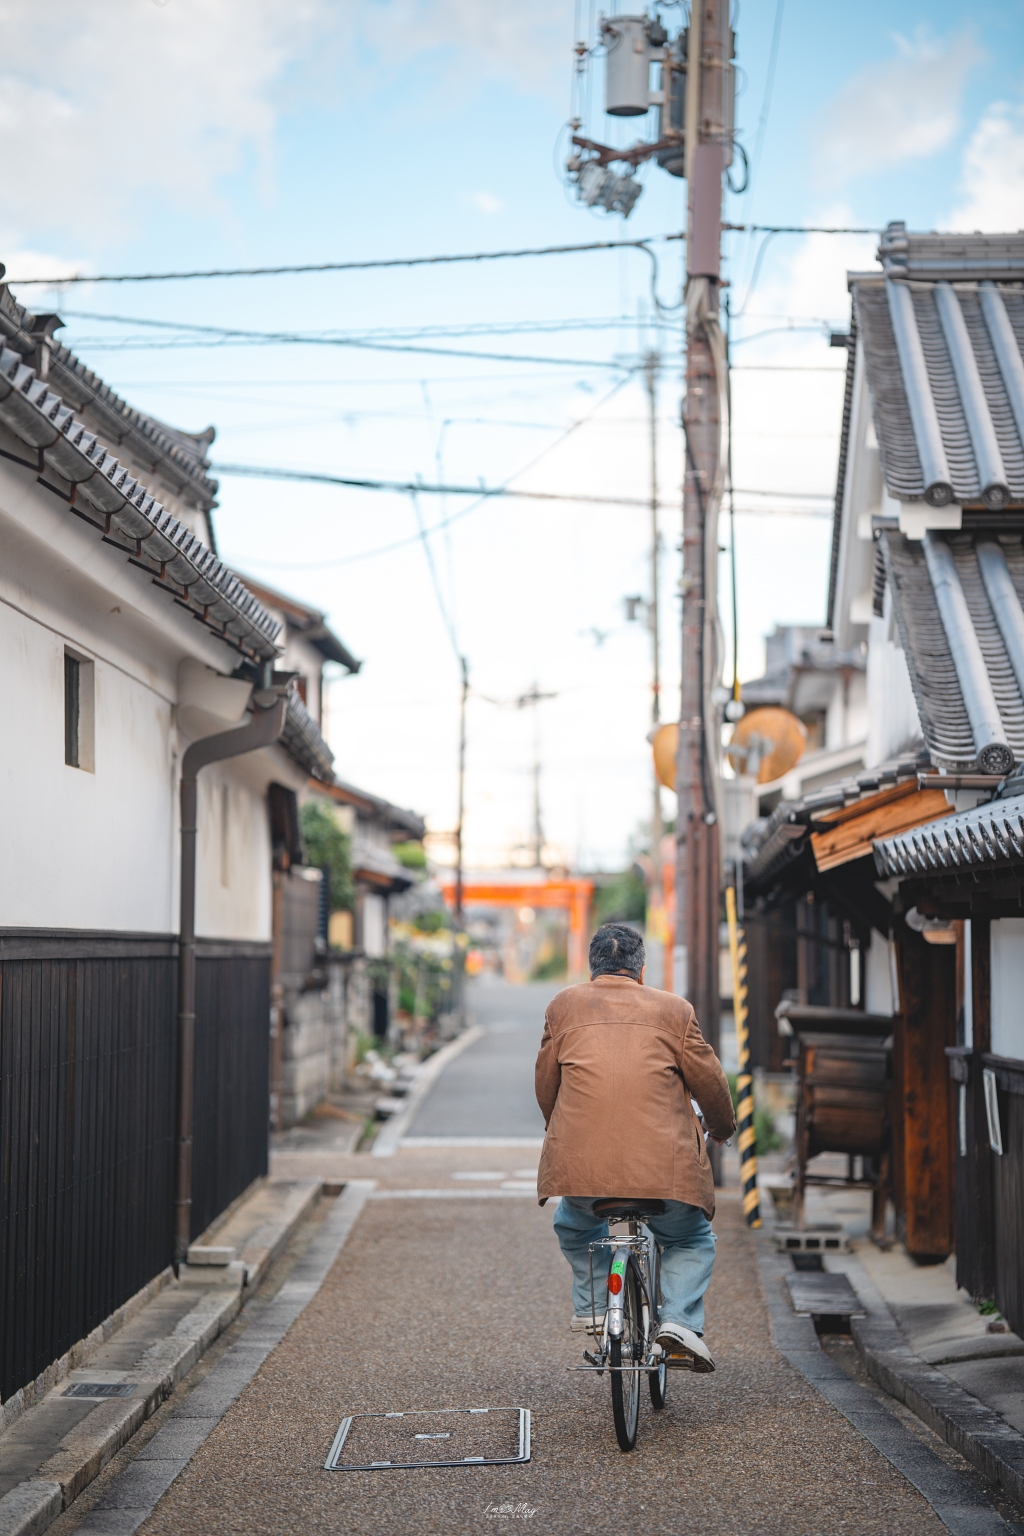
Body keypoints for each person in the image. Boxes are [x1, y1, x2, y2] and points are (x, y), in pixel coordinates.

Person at [534, 921, 736, 1371]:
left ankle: (591, 1306)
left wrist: (564, 1133)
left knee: (574, 1226)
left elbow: (547, 1086)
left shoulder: (562, 1007)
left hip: (583, 1167)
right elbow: (710, 1085)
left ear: (592, 971)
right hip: (666, 1169)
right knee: (689, 1238)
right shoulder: (675, 1011)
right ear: (641, 972)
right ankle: (679, 1322)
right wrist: (722, 1128)